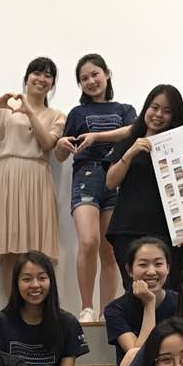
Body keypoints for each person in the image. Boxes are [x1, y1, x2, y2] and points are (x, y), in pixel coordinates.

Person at [0, 57, 66, 287]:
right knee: (8, 245)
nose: (41, 79)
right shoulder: (7, 109)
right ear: (26, 78)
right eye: (36, 73)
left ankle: (35, 302)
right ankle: (10, 304)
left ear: (52, 84)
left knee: (35, 249)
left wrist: (30, 112)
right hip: (8, 177)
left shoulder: (56, 116)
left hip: (37, 178)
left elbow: (47, 143)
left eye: (48, 75)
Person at [54, 54, 136, 323]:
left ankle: (107, 310)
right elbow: (61, 156)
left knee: (109, 249)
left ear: (107, 74)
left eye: (94, 74)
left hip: (116, 175)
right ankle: (87, 308)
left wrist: (97, 136)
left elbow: (133, 131)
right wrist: (60, 145)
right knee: (88, 241)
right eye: (84, 78)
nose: (90, 81)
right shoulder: (77, 113)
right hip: (86, 176)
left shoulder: (124, 109)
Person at [104, 84, 183, 286]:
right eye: (154, 107)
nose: (158, 114)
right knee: (134, 292)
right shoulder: (128, 142)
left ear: (175, 116)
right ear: (146, 108)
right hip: (128, 230)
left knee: (170, 293)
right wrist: (131, 152)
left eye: (167, 111)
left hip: (169, 232)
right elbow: (111, 182)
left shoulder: (182, 145)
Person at [102, 236, 179, 366]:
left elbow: (137, 351)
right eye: (143, 264)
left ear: (168, 268)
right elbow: (139, 359)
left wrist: (135, 351)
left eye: (158, 264)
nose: (151, 271)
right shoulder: (115, 309)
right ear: (129, 270)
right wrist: (149, 304)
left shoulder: (181, 303)